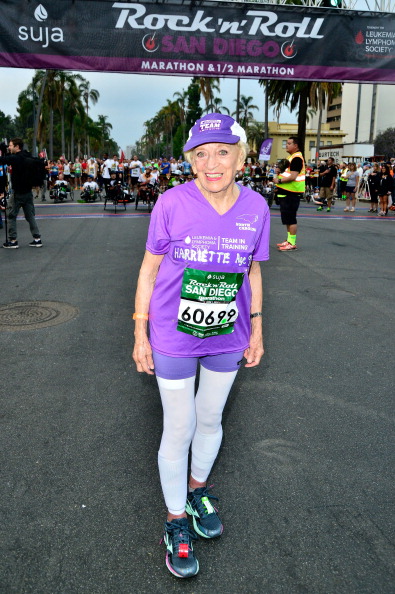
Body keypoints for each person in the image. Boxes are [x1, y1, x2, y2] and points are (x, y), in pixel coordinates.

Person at [132, 113, 270, 579]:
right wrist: (139, 331)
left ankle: (196, 492)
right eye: (201, 154)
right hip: (172, 334)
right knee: (180, 425)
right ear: (191, 161)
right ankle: (175, 522)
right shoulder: (171, 203)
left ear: (240, 158)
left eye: (222, 152)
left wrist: (257, 326)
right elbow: (149, 270)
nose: (212, 163)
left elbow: (252, 270)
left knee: (210, 418)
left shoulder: (256, 208)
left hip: (227, 336)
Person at [0, 138, 42, 248]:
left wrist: (2, 151)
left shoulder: (16, 158)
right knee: (30, 216)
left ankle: (12, 240)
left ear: (17, 146)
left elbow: (3, 160)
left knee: (11, 215)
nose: (9, 147)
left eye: (10, 145)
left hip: (18, 193)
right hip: (28, 191)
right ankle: (37, 238)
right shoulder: (27, 155)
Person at [274, 136, 305, 251]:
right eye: (286, 143)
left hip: (291, 193)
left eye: (289, 143)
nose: (286, 145)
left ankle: (292, 242)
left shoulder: (296, 158)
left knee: (291, 219)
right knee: (287, 219)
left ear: (295, 145)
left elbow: (293, 176)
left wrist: (279, 181)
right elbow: (287, 173)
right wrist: (279, 172)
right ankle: (288, 240)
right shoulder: (290, 157)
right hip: (286, 192)